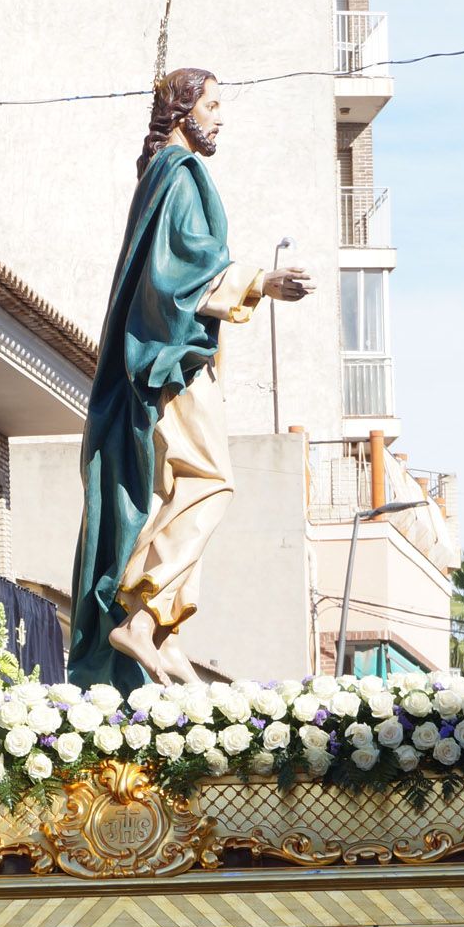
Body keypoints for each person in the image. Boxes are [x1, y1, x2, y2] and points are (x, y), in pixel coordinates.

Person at [68, 65, 314, 687]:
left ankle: (162, 623)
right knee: (210, 481)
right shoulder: (180, 176)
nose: (220, 117)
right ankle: (142, 615)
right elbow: (178, 274)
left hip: (168, 361)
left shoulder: (159, 179)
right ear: (182, 112)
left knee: (190, 487)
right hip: (172, 363)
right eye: (211, 104)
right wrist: (262, 282)